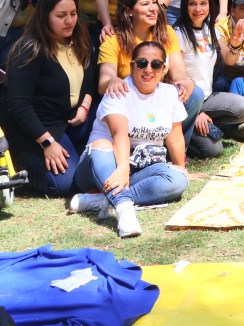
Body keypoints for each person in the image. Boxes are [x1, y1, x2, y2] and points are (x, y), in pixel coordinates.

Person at [70, 40, 190, 238]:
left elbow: (175, 138)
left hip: (137, 172)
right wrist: (123, 168)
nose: (148, 69)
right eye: (142, 63)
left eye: (156, 64)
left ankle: (102, 200)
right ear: (133, 65)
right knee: (102, 145)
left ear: (164, 69)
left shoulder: (170, 94)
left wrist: (181, 169)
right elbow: (120, 134)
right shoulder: (118, 90)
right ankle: (124, 209)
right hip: (102, 167)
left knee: (178, 180)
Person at [2, 0, 97, 196]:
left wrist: (84, 105)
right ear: (45, 17)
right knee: (66, 185)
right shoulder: (29, 49)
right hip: (40, 127)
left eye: (73, 14)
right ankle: (28, 168)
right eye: (61, 16)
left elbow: (91, 80)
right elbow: (19, 105)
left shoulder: (79, 39)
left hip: (73, 118)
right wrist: (47, 142)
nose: (69, 21)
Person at [97, 0, 211, 156]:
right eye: (145, 4)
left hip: (158, 100)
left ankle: (175, 153)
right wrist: (113, 80)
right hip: (132, 104)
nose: (152, 9)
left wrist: (187, 82)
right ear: (128, 10)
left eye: (154, 2)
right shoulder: (114, 40)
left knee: (195, 94)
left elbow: (178, 71)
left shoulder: (166, 32)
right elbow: (104, 81)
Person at [174, 0, 244, 143]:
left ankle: (203, 124)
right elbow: (174, 76)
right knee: (213, 150)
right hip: (185, 100)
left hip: (207, 98)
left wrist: (236, 43)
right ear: (184, 6)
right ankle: (189, 126)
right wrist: (195, 111)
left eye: (203, 3)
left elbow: (229, 60)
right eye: (192, 4)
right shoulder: (178, 33)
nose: (198, 9)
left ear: (210, 5)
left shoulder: (211, 29)